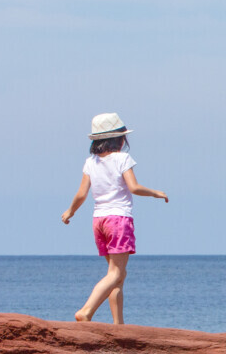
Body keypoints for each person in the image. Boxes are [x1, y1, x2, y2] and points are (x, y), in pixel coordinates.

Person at [60, 113, 168, 323]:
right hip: (118, 219)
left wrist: (70, 211)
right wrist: (156, 192)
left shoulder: (91, 162)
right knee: (116, 274)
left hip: (99, 221)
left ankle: (118, 325)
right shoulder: (122, 158)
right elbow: (134, 187)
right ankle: (86, 311)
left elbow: (82, 193)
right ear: (119, 139)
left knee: (117, 275)